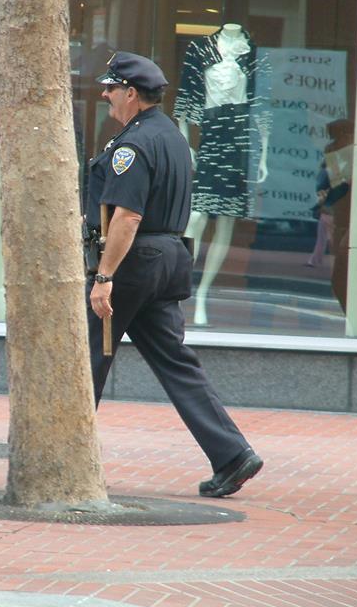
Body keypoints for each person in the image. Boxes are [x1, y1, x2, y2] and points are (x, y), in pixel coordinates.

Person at [85, 51, 263, 498]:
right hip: (166, 258)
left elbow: (126, 217)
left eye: (111, 87)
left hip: (131, 261)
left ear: (131, 93)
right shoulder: (170, 137)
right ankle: (232, 453)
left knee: (85, 357)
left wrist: (104, 277)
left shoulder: (133, 144)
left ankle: (67, 456)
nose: (105, 94)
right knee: (175, 362)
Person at [173, 23, 270, 325]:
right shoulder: (200, 49)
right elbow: (186, 96)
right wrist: (185, 141)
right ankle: (179, 289)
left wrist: (264, 154)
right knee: (197, 216)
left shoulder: (254, 54)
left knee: (226, 222)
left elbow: (262, 103)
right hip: (211, 135)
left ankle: (203, 293)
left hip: (240, 140)